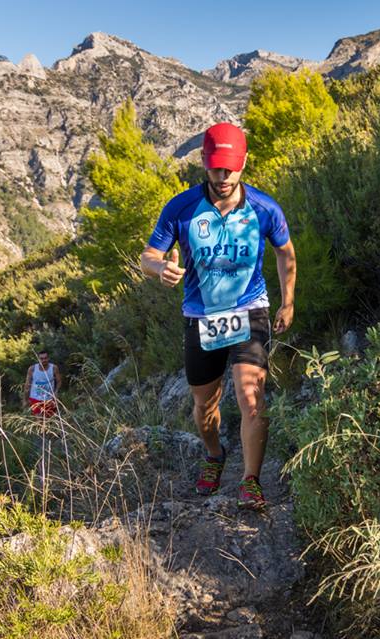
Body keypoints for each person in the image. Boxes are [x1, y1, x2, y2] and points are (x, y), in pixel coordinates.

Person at [140, 122, 297, 510]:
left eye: (230, 168)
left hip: (250, 310)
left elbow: (285, 252)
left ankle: (250, 481)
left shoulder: (264, 208)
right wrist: (160, 269)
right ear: (204, 163)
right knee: (204, 407)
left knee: (251, 398)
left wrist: (287, 301)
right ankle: (214, 455)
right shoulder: (181, 208)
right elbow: (148, 256)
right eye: (215, 168)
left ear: (244, 163)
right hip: (201, 317)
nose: (223, 176)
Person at [24, 350, 61, 418]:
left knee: (49, 419)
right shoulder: (32, 369)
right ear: (38, 359)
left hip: (49, 398)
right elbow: (27, 385)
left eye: (45, 358)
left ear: (48, 358)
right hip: (35, 398)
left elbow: (59, 381)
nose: (44, 360)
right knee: (39, 419)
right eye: (41, 358)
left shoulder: (54, 368)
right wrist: (26, 399)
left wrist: (56, 391)